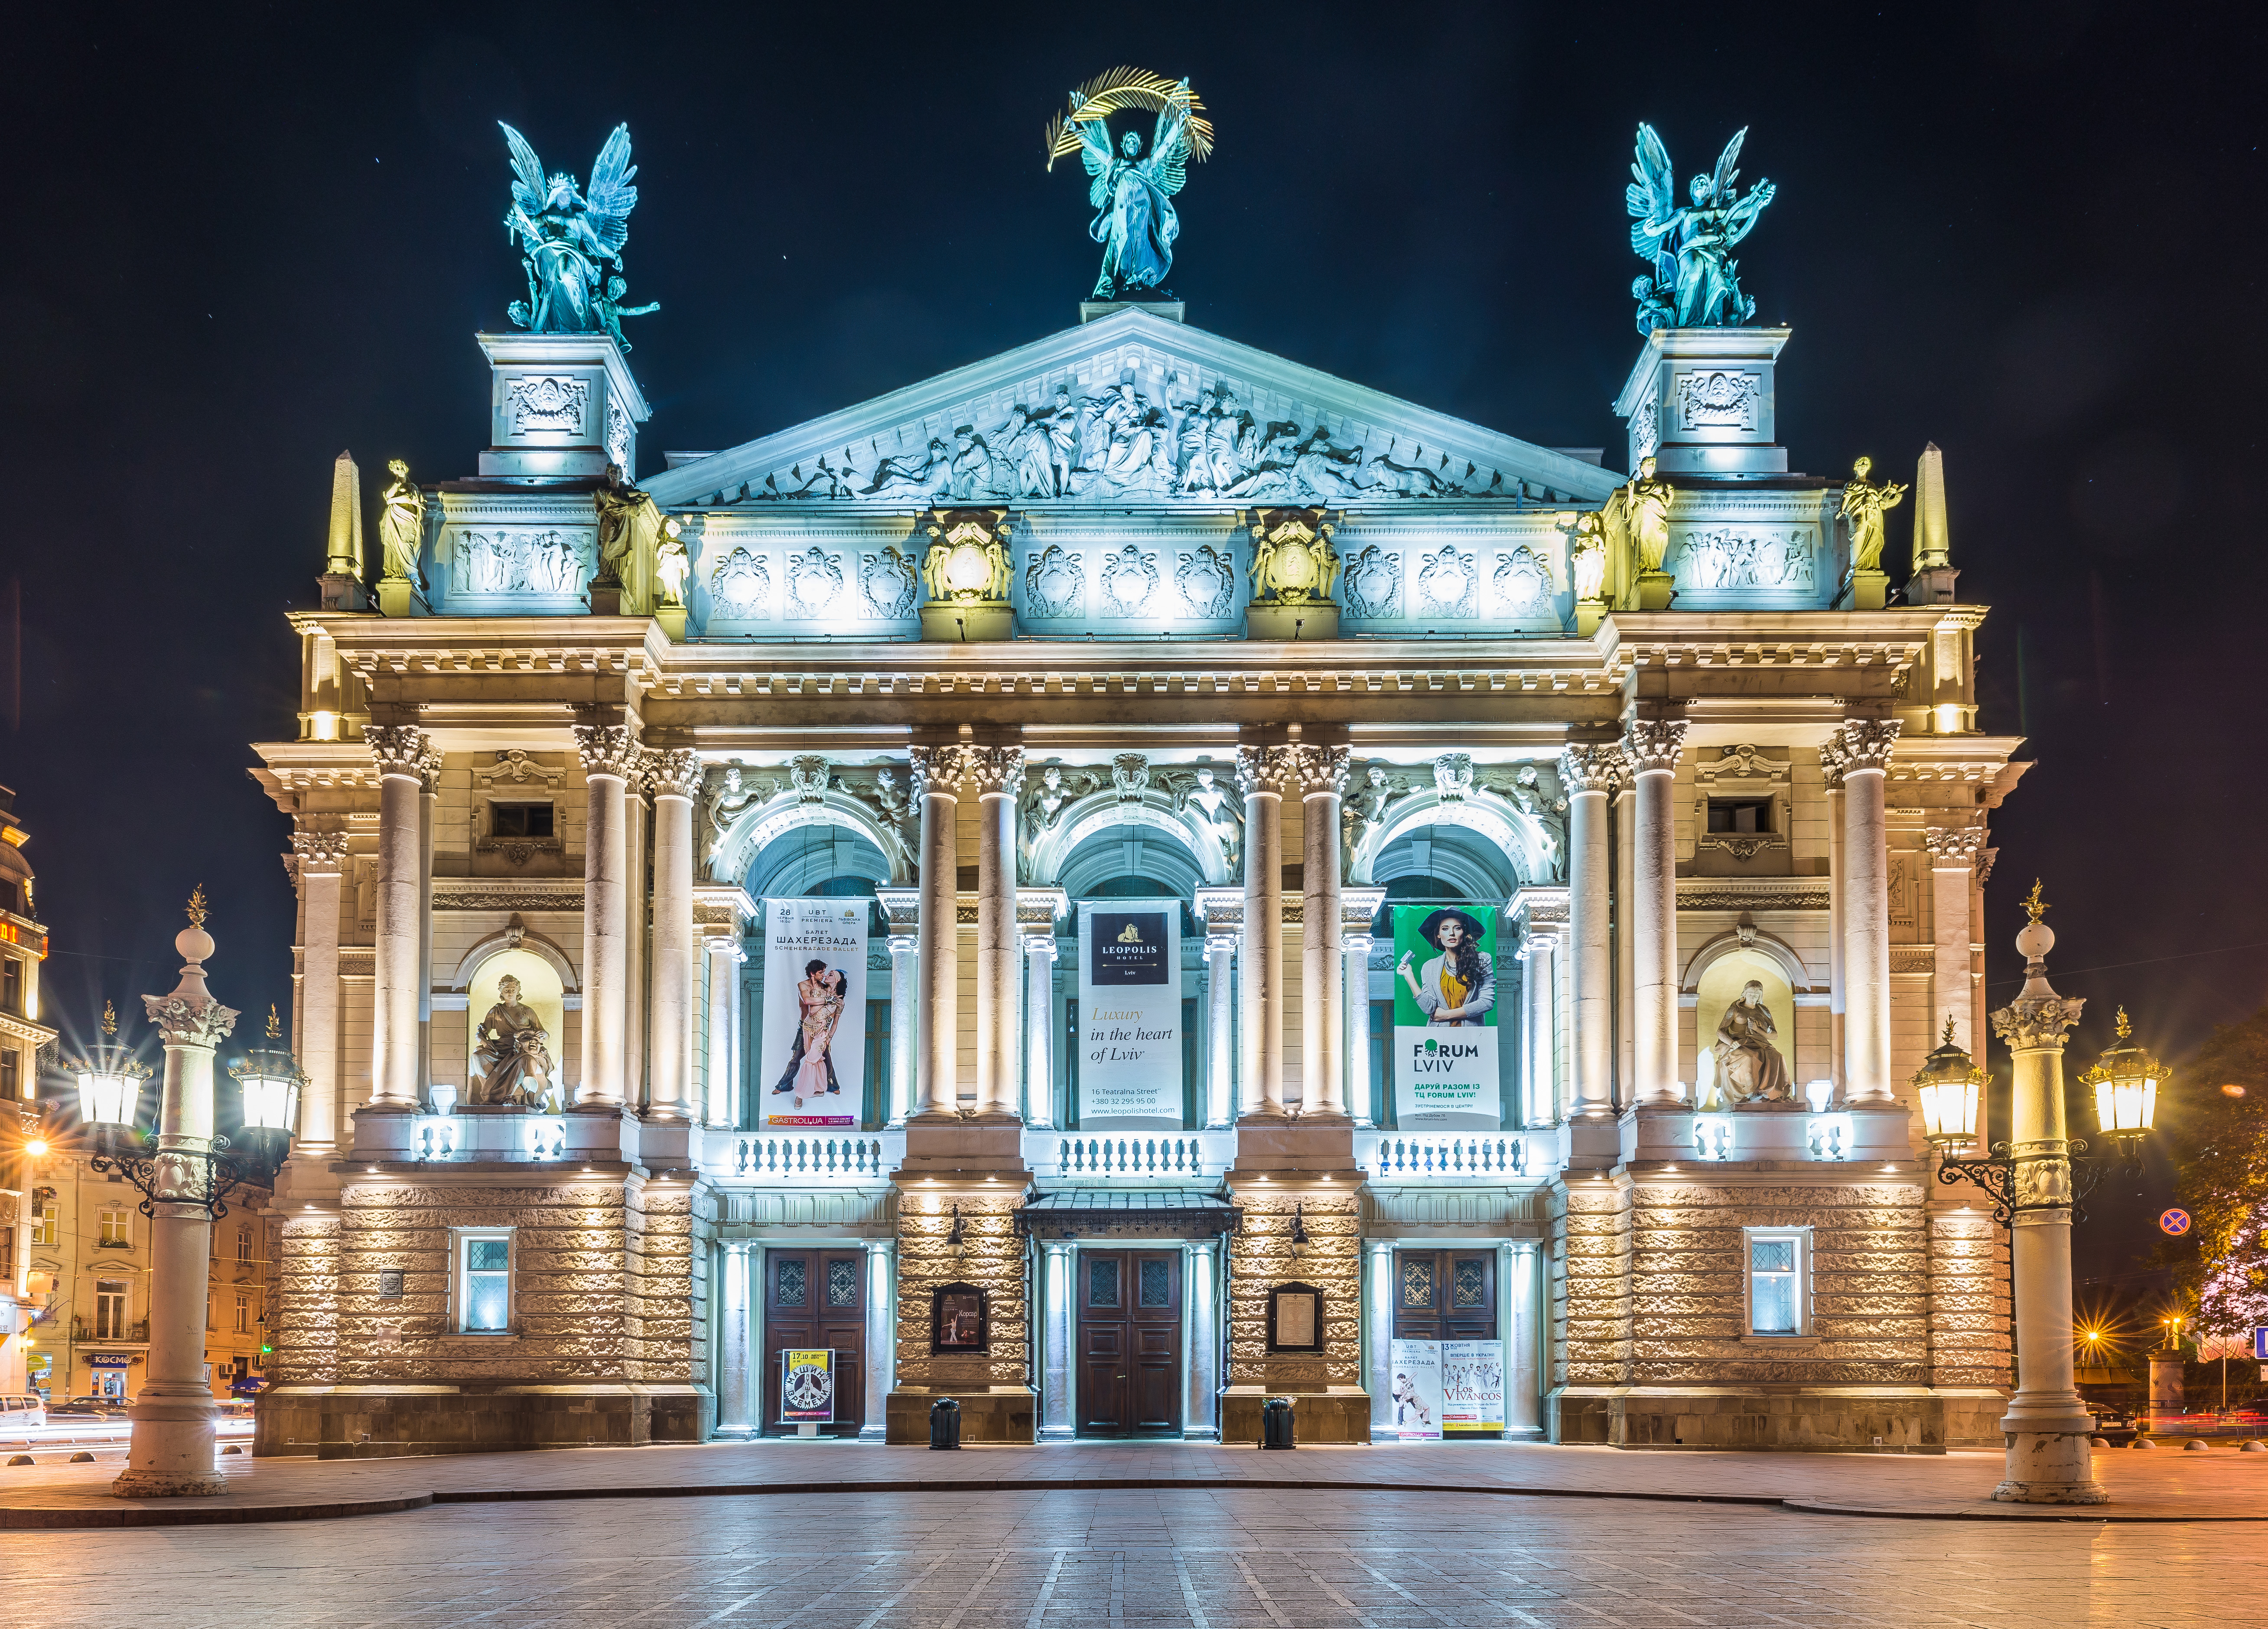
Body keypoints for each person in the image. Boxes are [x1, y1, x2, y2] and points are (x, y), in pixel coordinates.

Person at [1398, 908, 1495, 1025]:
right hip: (1439, 1037)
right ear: (1438, 934)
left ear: (1465, 932)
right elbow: (1429, 1008)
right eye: (1445, 929)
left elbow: (1486, 1003)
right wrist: (1409, 976)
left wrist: (1446, 1015)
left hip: (1472, 1037)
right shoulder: (1429, 967)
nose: (1451, 934)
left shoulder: (1482, 960)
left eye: (1457, 928)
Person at [771, 959, 846, 1108]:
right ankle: (785, 1085)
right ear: (813, 974)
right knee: (797, 1057)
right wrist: (827, 1000)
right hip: (805, 1028)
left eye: (827, 973)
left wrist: (829, 1036)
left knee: (819, 1059)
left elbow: (835, 1020)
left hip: (822, 1033)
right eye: (822, 973)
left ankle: (816, 1090)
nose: (824, 975)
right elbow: (808, 1002)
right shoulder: (807, 986)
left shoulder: (828, 992)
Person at [470, 974, 552, 1105]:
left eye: (513, 990)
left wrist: (545, 1035)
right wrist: (483, 1041)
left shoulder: (527, 1011)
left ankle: (512, 1095)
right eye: (506, 990)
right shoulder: (495, 1011)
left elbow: (541, 1032)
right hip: (500, 1047)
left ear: (518, 991)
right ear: (501, 992)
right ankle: (489, 1094)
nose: (510, 993)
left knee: (523, 1059)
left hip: (522, 1047)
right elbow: (482, 1031)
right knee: (477, 1056)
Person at [1714, 979, 1792, 1103]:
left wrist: (1757, 1029)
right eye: (1750, 993)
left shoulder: (1764, 1011)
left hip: (1760, 1044)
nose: (1753, 997)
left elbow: (1774, 1036)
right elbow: (1720, 1031)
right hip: (1740, 1044)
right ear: (1744, 994)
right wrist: (1731, 1043)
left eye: (1756, 994)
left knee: (1777, 1057)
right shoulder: (1735, 1009)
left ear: (1760, 996)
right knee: (1750, 1058)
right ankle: (1751, 1092)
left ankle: (1768, 1092)